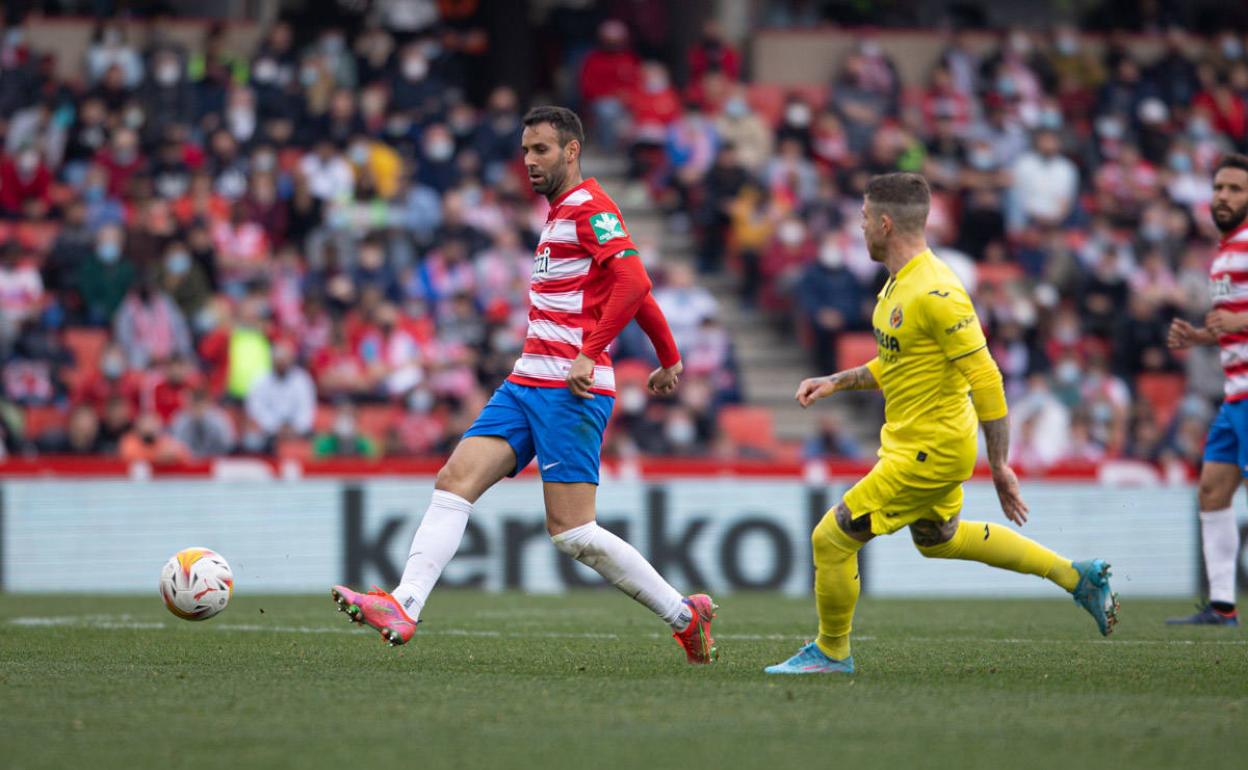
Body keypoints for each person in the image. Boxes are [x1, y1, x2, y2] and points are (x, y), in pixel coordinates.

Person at [330, 106, 716, 663]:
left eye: (541, 150)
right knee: (454, 481)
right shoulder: (559, 214)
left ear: (572, 151)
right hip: (526, 380)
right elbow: (633, 288)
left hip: (569, 390)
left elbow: (634, 281)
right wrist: (669, 355)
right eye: (525, 150)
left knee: (573, 532)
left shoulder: (591, 206)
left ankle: (685, 616)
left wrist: (589, 353)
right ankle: (404, 604)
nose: (530, 161)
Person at [766, 173, 1118, 675]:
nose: (859, 227)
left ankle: (832, 651)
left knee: (832, 537)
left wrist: (1000, 465)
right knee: (940, 540)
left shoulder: (937, 290)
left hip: (929, 449)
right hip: (919, 442)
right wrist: (837, 381)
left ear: (885, 224)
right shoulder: (898, 283)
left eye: (864, 218)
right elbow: (899, 362)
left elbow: (987, 377)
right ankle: (1076, 577)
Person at [1164, 153, 1248, 627]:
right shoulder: (1224, 255)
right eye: (1219, 188)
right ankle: (1222, 607)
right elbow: (1233, 326)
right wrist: (1201, 336)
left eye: (1235, 189)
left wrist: (1239, 320)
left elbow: (1240, 320)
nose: (1223, 196)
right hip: (1235, 395)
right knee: (1212, 492)